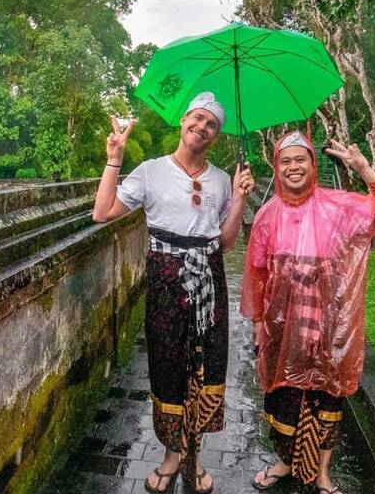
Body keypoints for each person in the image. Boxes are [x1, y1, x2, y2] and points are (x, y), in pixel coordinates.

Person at [93, 92, 255, 494]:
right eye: (197, 118)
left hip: (209, 280)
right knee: (168, 365)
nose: (202, 127)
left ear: (216, 136)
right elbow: (102, 212)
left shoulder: (221, 180)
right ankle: (171, 456)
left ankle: (194, 456)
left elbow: (227, 242)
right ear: (183, 121)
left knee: (205, 365)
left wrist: (238, 199)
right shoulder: (151, 171)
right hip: (165, 280)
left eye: (211, 124)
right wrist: (115, 158)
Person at [241, 131, 375, 494]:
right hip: (281, 329)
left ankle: (322, 473)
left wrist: (363, 168)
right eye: (285, 161)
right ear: (276, 167)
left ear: (313, 164)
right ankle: (285, 462)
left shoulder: (338, 207)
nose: (293, 167)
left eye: (300, 159)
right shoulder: (267, 215)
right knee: (283, 396)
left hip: (326, 324)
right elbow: (256, 273)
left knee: (326, 397)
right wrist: (257, 322)